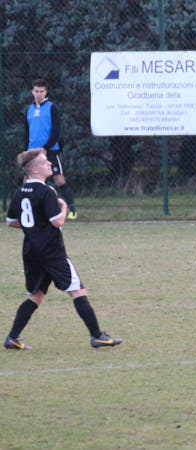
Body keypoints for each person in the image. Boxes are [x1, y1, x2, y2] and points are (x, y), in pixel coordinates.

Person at [4, 148, 122, 350]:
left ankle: (12, 338)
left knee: (36, 295)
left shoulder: (19, 192)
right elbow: (57, 221)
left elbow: (11, 222)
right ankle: (97, 336)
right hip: (52, 252)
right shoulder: (47, 191)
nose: (50, 164)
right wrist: (64, 206)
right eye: (45, 162)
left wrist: (34, 228)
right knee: (78, 290)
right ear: (34, 169)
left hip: (31, 252)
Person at [25, 79, 77, 219]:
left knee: (59, 179)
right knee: (28, 180)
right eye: (37, 91)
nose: (39, 94)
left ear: (46, 92)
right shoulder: (29, 109)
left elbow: (56, 131)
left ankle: (72, 210)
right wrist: (26, 150)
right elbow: (27, 132)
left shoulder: (51, 108)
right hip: (32, 152)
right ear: (32, 92)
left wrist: (46, 147)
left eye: (42, 91)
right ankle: (29, 211)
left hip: (50, 150)